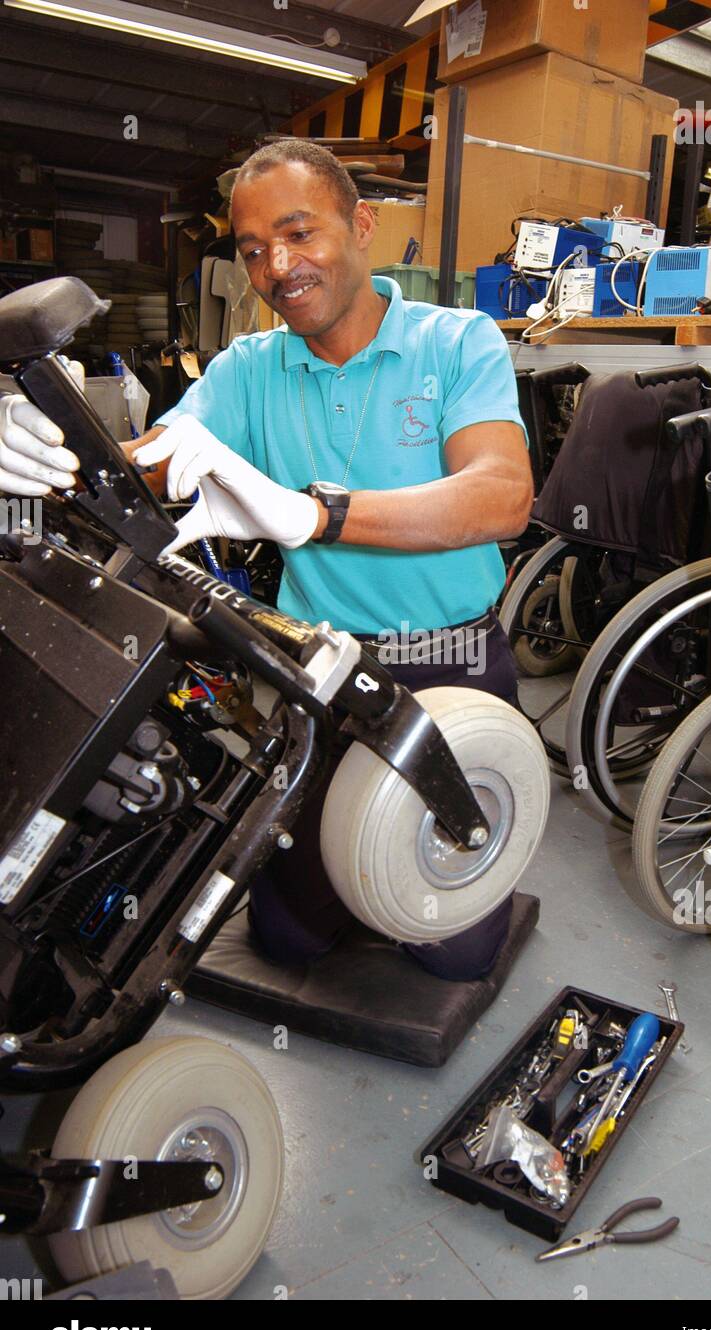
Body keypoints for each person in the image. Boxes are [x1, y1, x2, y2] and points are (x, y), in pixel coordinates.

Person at [0, 138, 533, 981]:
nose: (278, 266)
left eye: (299, 233)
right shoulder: (250, 366)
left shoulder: (456, 341)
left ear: (361, 226)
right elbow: (154, 453)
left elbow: (502, 494)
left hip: (452, 666)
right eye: (253, 250)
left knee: (453, 954)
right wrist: (40, 441)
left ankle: (431, 892)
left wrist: (319, 515)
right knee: (287, 939)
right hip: (322, 674)